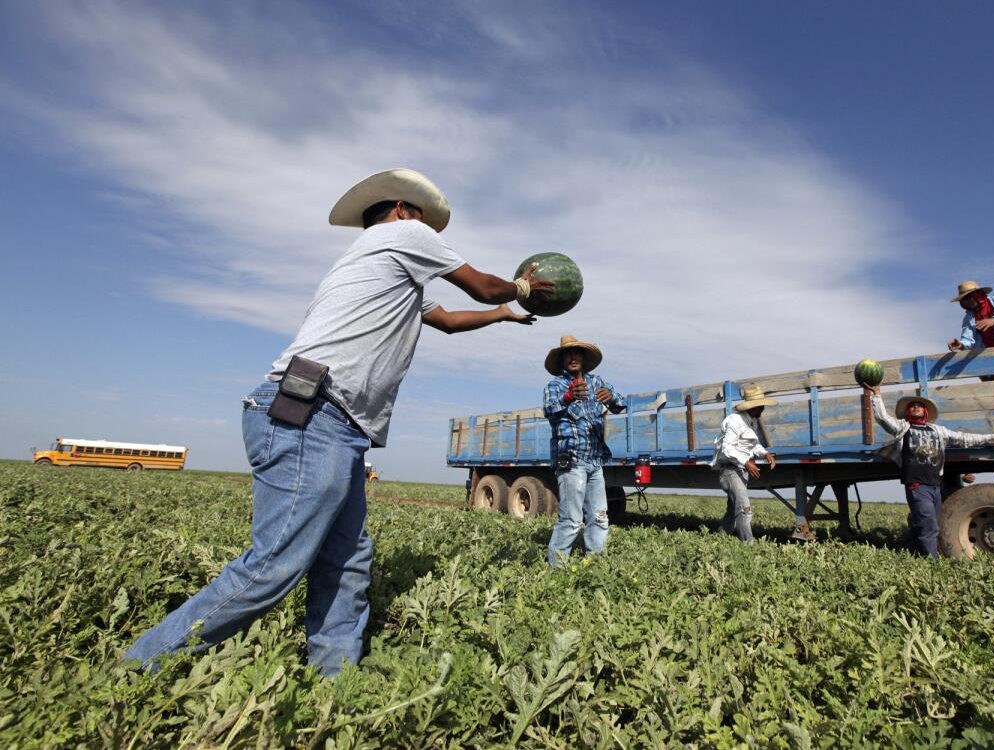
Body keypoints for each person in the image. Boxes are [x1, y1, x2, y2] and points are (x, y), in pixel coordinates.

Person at [125, 168, 552, 677]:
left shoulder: (383, 270)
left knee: (348, 558)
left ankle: (335, 679)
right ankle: (136, 669)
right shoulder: (404, 238)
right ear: (402, 211)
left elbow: (450, 319)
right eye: (425, 221)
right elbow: (481, 286)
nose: (432, 233)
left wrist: (503, 315)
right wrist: (524, 286)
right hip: (312, 413)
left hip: (328, 421)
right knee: (272, 567)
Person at [865, 385, 994, 558]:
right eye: (912, 405)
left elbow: (964, 439)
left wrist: (992, 438)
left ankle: (907, 553)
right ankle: (932, 561)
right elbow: (882, 418)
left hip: (935, 485)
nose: (915, 407)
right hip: (917, 485)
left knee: (926, 523)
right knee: (929, 526)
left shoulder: (938, 431)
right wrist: (876, 395)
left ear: (925, 411)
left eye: (919, 405)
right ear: (907, 412)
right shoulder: (903, 428)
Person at [543, 334, 627, 567]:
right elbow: (549, 410)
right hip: (571, 458)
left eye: (576, 353)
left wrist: (612, 397)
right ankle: (556, 571)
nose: (572, 357)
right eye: (567, 354)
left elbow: (621, 403)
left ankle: (595, 563)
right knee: (571, 519)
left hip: (595, 460)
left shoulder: (597, 382)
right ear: (562, 361)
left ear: (583, 357)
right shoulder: (555, 385)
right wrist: (568, 396)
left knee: (600, 516)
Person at [710, 385, 815, 542]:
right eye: (761, 405)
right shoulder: (734, 421)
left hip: (740, 470)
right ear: (754, 406)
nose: (763, 408)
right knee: (745, 509)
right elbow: (727, 449)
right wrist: (746, 462)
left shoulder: (751, 421)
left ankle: (721, 536)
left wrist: (764, 453)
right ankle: (748, 544)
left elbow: (754, 445)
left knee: (733, 509)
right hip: (730, 471)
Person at [947, 280, 994, 353]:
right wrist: (960, 345)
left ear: (978, 294)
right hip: (992, 354)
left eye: (968, 297)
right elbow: (967, 339)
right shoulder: (969, 318)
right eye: (963, 299)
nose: (966, 302)